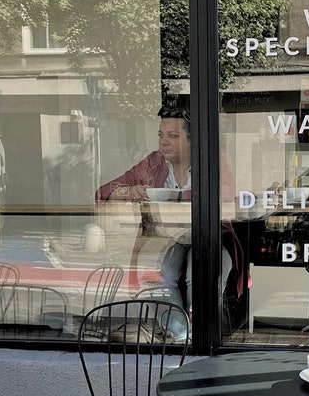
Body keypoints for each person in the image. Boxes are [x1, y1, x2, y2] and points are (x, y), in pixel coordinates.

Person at [96, 108, 242, 339]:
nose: (164, 142)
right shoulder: (153, 163)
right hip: (163, 239)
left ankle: (200, 331)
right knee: (159, 270)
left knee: (203, 269)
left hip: (208, 235)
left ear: (190, 140)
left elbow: (226, 194)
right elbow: (103, 193)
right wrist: (128, 190)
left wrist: (177, 196)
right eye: (161, 135)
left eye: (173, 136)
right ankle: (181, 335)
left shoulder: (211, 158)